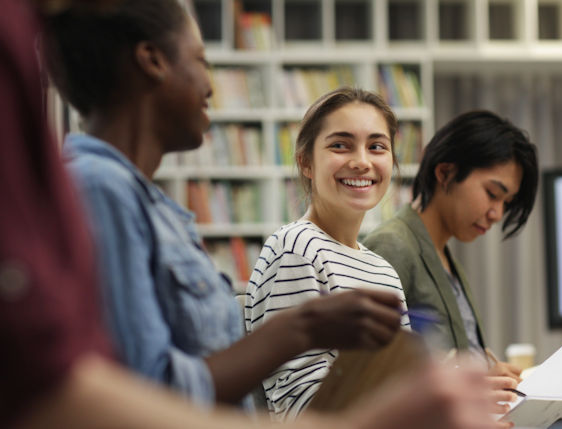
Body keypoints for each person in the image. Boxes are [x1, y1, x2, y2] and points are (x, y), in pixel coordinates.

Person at [41, 0, 408, 410]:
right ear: (152, 61)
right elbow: (144, 394)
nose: (212, 85)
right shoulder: (100, 188)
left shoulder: (153, 209)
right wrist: (300, 328)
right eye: (201, 60)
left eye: (378, 146)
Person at [363, 110, 562, 428]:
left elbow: (446, 357)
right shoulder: (393, 246)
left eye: (506, 203)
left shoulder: (446, 258)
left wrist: (492, 371)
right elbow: (371, 373)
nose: (496, 213)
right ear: (445, 173)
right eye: (492, 194)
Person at [244, 87, 413, 420]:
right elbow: (300, 409)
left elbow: (403, 379)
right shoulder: (295, 249)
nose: (362, 162)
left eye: (377, 147)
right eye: (340, 145)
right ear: (306, 163)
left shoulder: (382, 269)